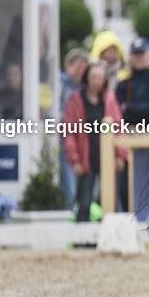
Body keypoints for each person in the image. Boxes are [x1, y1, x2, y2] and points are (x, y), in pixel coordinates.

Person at [62, 61, 128, 223]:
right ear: (86, 78)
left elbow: (119, 128)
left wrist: (121, 155)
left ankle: (109, 234)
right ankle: (81, 235)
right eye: (93, 77)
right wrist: (74, 159)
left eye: (100, 77)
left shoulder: (110, 98)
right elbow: (68, 132)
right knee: (84, 202)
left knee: (111, 201)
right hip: (86, 158)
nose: (97, 81)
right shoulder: (75, 100)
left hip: (108, 158)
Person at [59, 48, 90, 208]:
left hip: (83, 144)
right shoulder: (59, 84)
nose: (81, 73)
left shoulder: (86, 89)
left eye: (84, 70)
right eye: (78, 68)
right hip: (64, 143)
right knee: (69, 189)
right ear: (68, 65)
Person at [116, 38, 149, 129]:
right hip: (130, 133)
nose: (139, 57)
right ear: (130, 57)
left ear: (148, 55)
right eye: (135, 54)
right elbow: (119, 113)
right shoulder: (123, 84)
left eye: (141, 53)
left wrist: (128, 107)